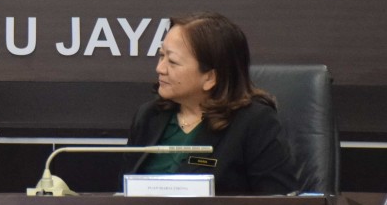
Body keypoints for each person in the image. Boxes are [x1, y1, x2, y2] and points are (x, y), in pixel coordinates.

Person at [126, 11, 297, 194]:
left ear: (210, 78)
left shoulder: (255, 123)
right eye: (161, 56)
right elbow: (123, 194)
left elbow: (277, 202)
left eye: (173, 62)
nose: (160, 68)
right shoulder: (149, 116)